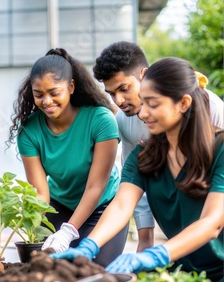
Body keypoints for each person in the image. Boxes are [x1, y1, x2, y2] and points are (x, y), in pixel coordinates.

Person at [54, 57, 224, 281]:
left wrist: (157, 253)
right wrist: (89, 245)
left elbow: (212, 222)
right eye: (143, 103)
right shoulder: (144, 156)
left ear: (183, 103)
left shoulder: (219, 149)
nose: (143, 114)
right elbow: (122, 205)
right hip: (178, 272)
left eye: (153, 104)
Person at [93, 41, 224, 252]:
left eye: (124, 89)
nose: (118, 100)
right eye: (111, 94)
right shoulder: (129, 130)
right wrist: (145, 240)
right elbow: (130, 194)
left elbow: (215, 215)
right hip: (177, 234)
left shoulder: (213, 110)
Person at [7, 48, 128, 267]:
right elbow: (41, 193)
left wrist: (68, 231)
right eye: (39, 94)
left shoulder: (100, 120)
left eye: (54, 92)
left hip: (102, 206)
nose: (47, 101)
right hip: (60, 205)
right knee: (47, 266)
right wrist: (32, 227)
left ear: (71, 87)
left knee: (93, 269)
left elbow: (96, 186)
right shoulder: (30, 132)